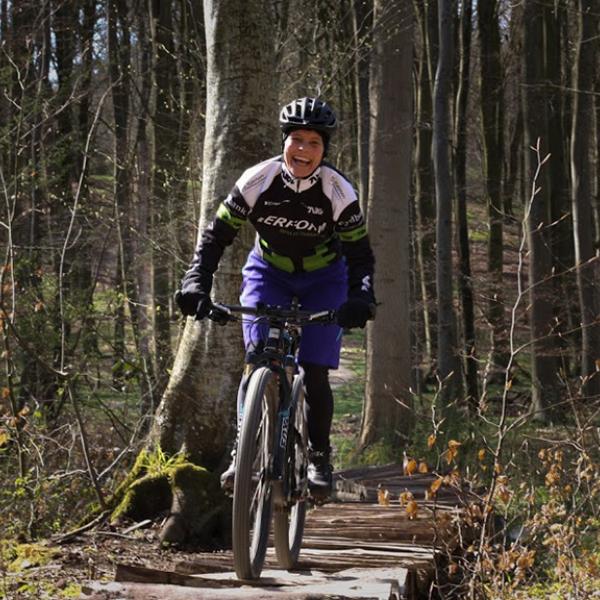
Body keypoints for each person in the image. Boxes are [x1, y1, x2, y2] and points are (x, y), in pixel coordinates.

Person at [176, 97, 376, 498]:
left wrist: (361, 295)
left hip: (325, 278)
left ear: (325, 149)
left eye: (313, 143)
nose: (303, 150)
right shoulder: (257, 179)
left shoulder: (338, 191)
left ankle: (319, 455)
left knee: (315, 370)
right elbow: (216, 237)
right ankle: (243, 450)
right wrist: (196, 281)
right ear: (284, 141)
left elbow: (360, 254)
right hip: (269, 272)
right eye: (296, 140)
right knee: (257, 360)